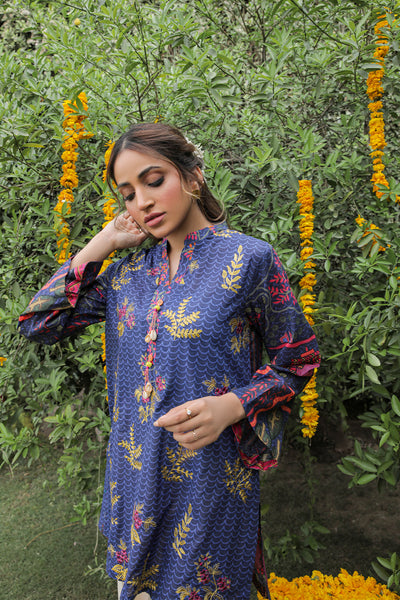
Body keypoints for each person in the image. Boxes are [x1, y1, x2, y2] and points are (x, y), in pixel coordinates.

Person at [19, 122, 320, 600]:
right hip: (133, 485)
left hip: (210, 486)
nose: (141, 201)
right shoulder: (126, 276)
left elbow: (298, 358)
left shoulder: (249, 260)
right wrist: (104, 243)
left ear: (193, 175)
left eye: (154, 180)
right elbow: (38, 323)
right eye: (128, 194)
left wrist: (233, 405)